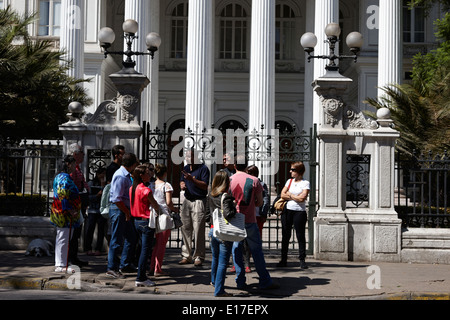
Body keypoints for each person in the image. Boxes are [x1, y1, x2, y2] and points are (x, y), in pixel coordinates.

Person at [229, 155, 278, 290]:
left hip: (235, 220)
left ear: (234, 166)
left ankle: (240, 280)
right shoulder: (254, 180)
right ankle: (264, 280)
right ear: (246, 166)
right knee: (257, 251)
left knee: (236, 250)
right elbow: (260, 202)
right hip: (250, 219)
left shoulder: (229, 180)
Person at [106, 153, 139, 279]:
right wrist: (126, 211)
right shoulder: (120, 176)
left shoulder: (126, 175)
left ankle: (124, 264)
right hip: (119, 210)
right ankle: (111, 267)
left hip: (124, 210)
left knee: (131, 237)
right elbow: (116, 199)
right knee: (116, 240)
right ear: (132, 164)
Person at [129, 165, 162, 287]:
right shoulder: (145, 190)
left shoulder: (133, 188)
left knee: (141, 249)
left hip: (136, 221)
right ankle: (141, 277)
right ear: (142, 175)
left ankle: (141, 275)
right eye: (148, 173)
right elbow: (156, 205)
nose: (150, 175)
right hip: (145, 221)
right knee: (145, 251)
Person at [50, 155, 83, 273]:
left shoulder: (62, 177)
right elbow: (63, 195)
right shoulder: (64, 178)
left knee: (63, 238)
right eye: (74, 163)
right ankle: (61, 265)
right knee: (64, 238)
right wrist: (70, 210)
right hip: (64, 215)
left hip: (63, 213)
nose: (75, 166)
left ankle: (61, 264)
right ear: (68, 164)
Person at [207, 170, 237, 297]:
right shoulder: (226, 197)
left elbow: (208, 214)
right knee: (223, 262)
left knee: (215, 258)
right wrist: (234, 207)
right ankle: (219, 290)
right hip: (223, 232)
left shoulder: (211, 195)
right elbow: (228, 214)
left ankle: (214, 281)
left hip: (213, 230)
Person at [179, 148, 210, 266]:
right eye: (186, 156)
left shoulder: (203, 169)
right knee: (185, 229)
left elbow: (205, 186)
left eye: (189, 156)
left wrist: (192, 179)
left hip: (199, 201)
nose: (187, 159)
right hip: (187, 200)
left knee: (198, 230)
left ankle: (198, 256)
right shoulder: (186, 169)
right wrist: (182, 184)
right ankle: (186, 255)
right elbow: (182, 181)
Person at [277, 161, 310, 269]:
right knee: (285, 235)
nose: (290, 171)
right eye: (291, 169)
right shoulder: (289, 181)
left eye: (293, 170)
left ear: (299, 171)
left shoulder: (305, 183)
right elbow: (282, 194)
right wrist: (295, 196)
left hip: (299, 212)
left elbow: (302, 198)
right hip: (287, 211)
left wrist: (289, 195)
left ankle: (302, 260)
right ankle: (283, 259)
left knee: (300, 236)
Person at [150, 163, 178, 276]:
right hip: (164, 216)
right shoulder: (167, 186)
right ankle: (158, 268)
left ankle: (152, 266)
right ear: (165, 173)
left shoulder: (150, 185)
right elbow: (168, 202)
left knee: (154, 244)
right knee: (161, 243)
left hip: (152, 216)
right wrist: (175, 209)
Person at [68, 143, 89, 267]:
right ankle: (70, 258)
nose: (84, 155)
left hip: (80, 204)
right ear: (75, 154)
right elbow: (72, 187)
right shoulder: (72, 169)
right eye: (82, 153)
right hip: (75, 204)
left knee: (76, 234)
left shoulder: (77, 168)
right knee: (73, 234)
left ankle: (74, 257)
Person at [85, 167, 107, 256]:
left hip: (101, 210)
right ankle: (88, 248)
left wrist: (103, 186)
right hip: (92, 210)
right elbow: (88, 197)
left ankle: (98, 248)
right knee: (90, 229)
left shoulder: (106, 184)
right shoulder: (91, 183)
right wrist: (97, 196)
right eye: (102, 174)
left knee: (101, 230)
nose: (103, 176)